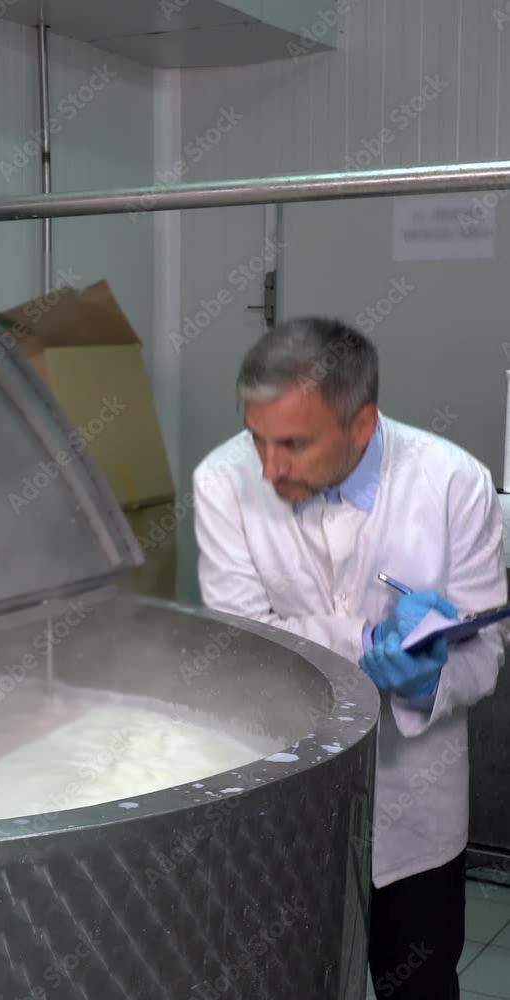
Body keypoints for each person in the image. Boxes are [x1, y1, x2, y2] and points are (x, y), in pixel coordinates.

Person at [192, 316, 508, 1000]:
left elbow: (483, 650)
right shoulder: (221, 479)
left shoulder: (454, 482)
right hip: (281, 798)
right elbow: (244, 641)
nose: (268, 468)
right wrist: (366, 643)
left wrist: (427, 680)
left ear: (361, 426)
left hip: (414, 800)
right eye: (256, 438)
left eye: (293, 444)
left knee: (417, 983)